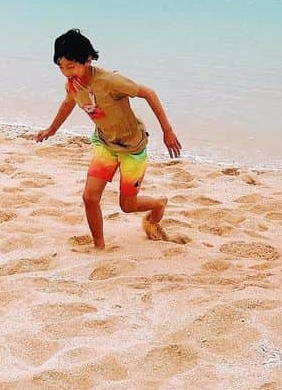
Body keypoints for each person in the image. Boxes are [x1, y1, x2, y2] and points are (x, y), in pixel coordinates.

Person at [35, 27, 182, 248]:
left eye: (71, 66)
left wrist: (167, 131)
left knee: (128, 205)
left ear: (87, 60)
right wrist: (51, 130)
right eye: (61, 67)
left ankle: (158, 206)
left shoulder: (110, 81)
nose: (66, 72)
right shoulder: (73, 84)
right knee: (90, 197)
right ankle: (99, 247)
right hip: (105, 144)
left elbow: (149, 94)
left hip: (132, 147)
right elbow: (68, 103)